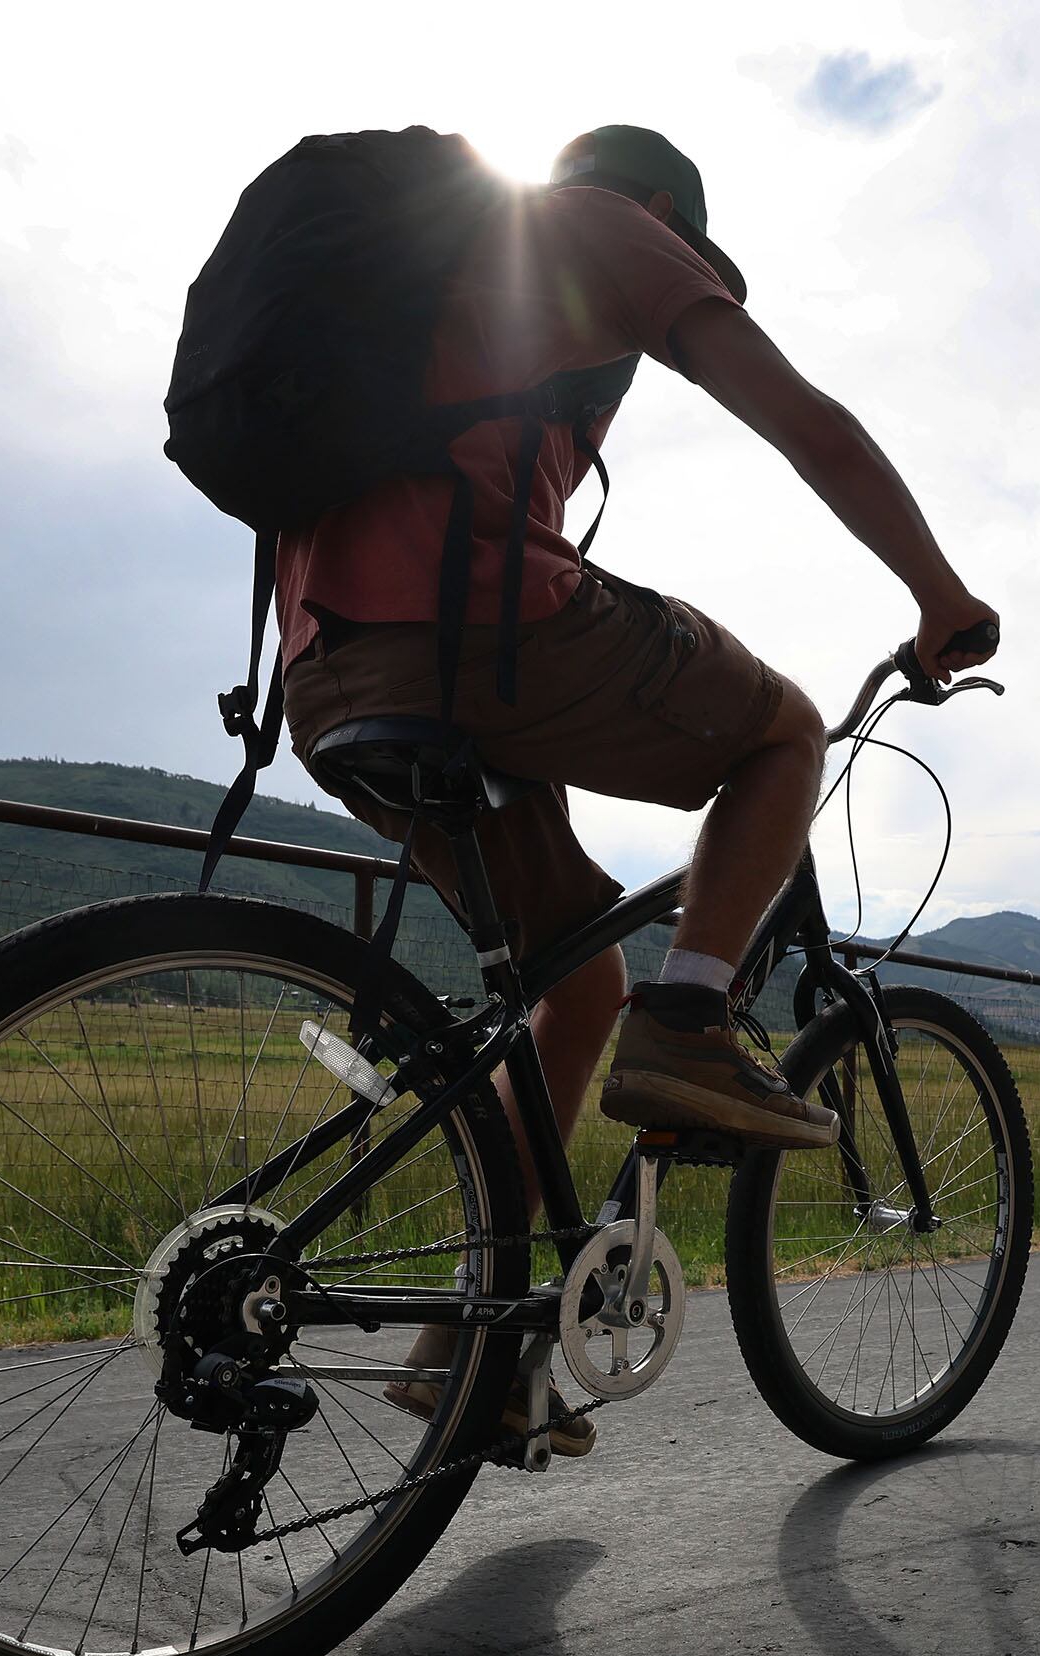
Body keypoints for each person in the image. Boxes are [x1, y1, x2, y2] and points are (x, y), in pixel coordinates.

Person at [274, 126, 998, 1450]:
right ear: (663, 212)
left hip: (326, 667)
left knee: (576, 983)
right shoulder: (600, 227)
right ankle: (693, 1022)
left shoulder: (430, 283)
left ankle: (466, 1355)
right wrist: (940, 594)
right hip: (472, 631)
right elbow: (815, 428)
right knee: (780, 732)